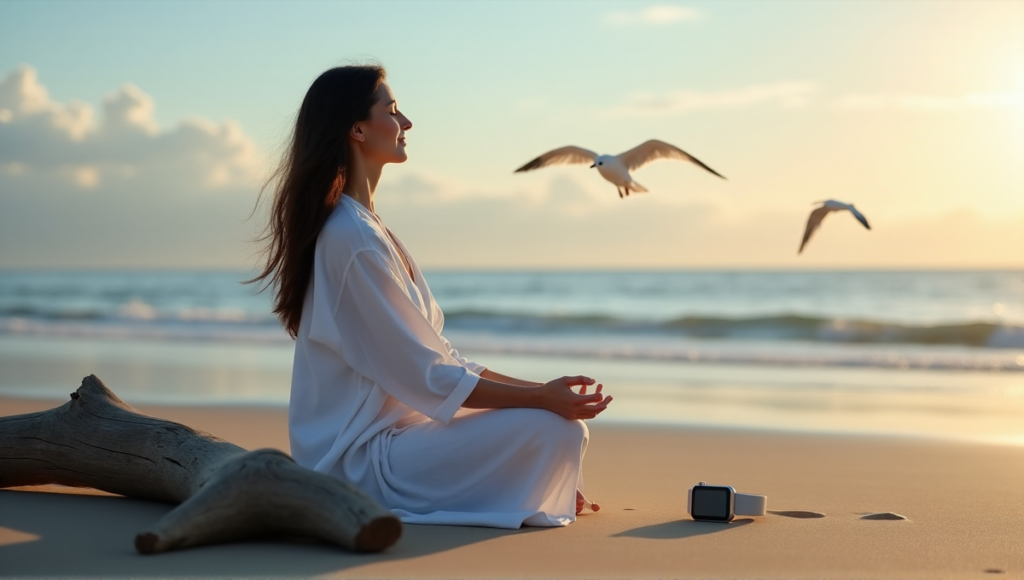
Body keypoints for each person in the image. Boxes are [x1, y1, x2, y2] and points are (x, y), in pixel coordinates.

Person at [250, 64, 612, 528]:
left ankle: (521, 481)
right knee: (553, 429)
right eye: (393, 110)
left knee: (558, 427)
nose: (406, 123)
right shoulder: (351, 238)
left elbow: (444, 361)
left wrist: (540, 392)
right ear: (357, 128)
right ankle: (519, 484)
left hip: (403, 441)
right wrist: (541, 400)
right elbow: (428, 377)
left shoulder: (366, 229)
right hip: (360, 467)